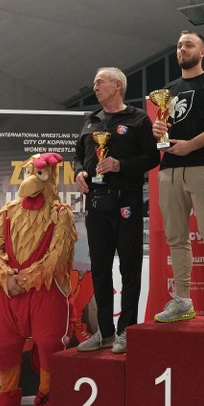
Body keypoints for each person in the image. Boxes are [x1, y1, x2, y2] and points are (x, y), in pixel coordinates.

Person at [0, 152, 77, 406]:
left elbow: (57, 257)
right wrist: (6, 277)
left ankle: (46, 402)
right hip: (10, 290)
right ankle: (6, 402)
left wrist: (26, 279)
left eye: (39, 173)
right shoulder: (8, 211)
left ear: (50, 178)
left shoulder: (61, 214)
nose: (32, 179)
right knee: (2, 339)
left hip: (46, 289)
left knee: (49, 342)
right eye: (30, 172)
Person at [151, 30, 204, 325]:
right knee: (176, 237)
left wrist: (191, 146)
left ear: (202, 52)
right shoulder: (168, 90)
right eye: (178, 46)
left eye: (189, 44)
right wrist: (158, 132)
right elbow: (166, 128)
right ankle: (182, 300)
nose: (182, 49)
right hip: (170, 169)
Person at [74, 67, 159, 353]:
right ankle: (105, 333)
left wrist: (120, 165)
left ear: (117, 86)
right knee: (99, 268)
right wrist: (79, 173)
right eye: (94, 82)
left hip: (126, 203)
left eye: (100, 82)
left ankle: (126, 331)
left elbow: (152, 157)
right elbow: (78, 156)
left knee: (129, 268)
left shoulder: (138, 119)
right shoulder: (91, 120)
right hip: (96, 203)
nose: (95, 87)